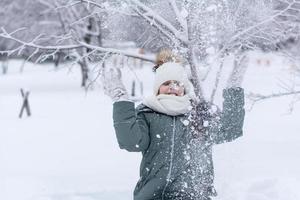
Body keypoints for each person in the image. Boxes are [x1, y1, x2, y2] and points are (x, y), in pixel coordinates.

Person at [102, 50, 245, 200]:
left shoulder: (198, 115)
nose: (172, 87)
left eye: (177, 83)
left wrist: (233, 89)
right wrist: (121, 100)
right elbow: (131, 142)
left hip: (193, 195)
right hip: (154, 195)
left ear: (184, 88)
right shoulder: (147, 114)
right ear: (157, 88)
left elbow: (230, 129)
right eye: (166, 83)